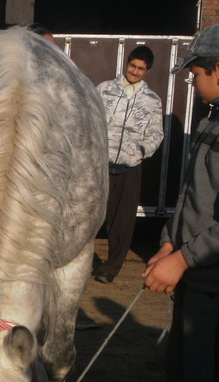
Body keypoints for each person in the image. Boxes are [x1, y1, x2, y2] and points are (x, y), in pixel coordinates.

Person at [142, 24, 219, 382]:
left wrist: (185, 258)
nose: (190, 82)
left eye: (194, 72)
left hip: (213, 280)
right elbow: (193, 193)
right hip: (196, 279)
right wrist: (169, 238)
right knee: (185, 380)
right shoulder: (212, 119)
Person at [93, 45, 164, 284]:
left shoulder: (152, 100)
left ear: (148, 70)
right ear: (127, 63)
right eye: (132, 66)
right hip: (100, 164)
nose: (134, 71)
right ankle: (79, 261)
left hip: (130, 168)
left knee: (122, 222)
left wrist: (140, 152)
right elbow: (90, 120)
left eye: (140, 69)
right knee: (88, 214)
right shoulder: (104, 89)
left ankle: (109, 269)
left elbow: (156, 133)